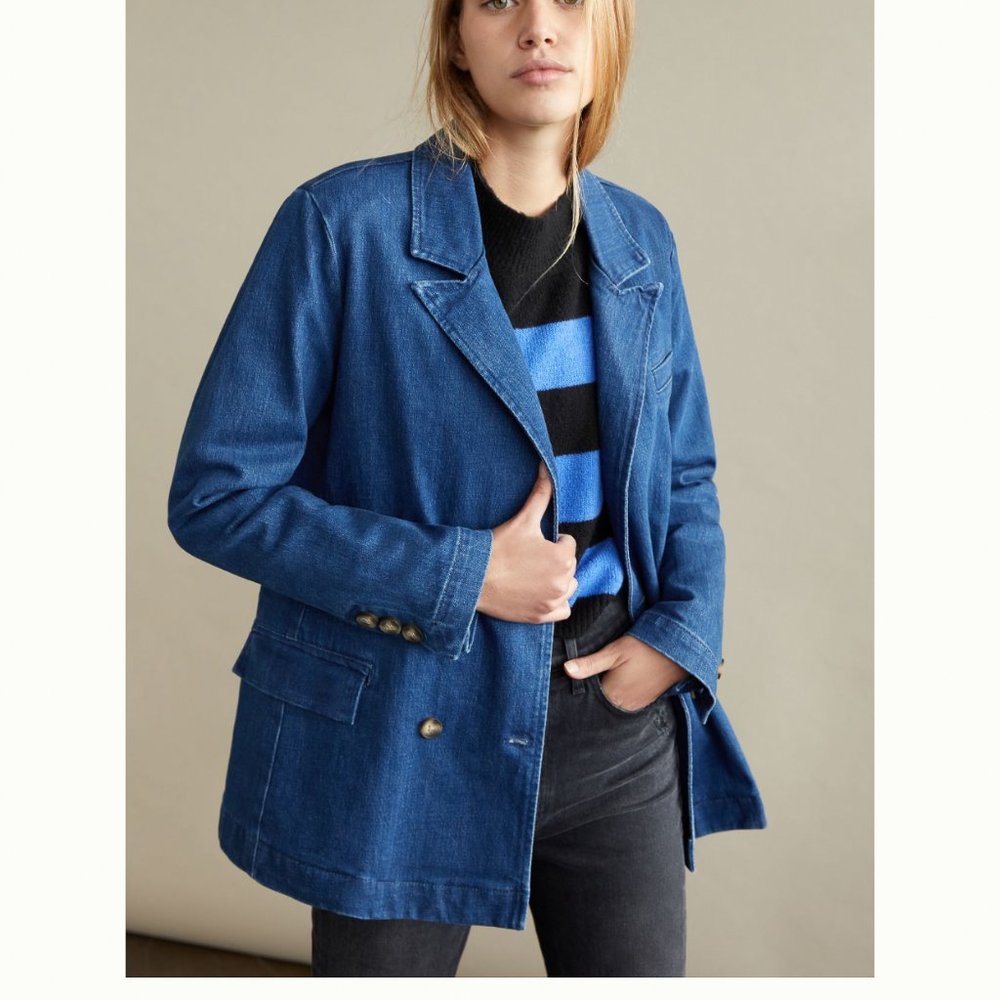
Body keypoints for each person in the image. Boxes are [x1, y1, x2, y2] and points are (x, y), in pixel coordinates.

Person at [167, 0, 766, 978]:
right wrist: (460, 574)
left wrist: (679, 636)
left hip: (615, 731)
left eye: (569, 1)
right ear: (453, 38)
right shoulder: (341, 224)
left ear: (610, 31)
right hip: (406, 731)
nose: (538, 27)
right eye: (496, 0)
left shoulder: (642, 240)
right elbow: (217, 494)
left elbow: (684, 472)